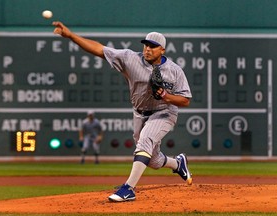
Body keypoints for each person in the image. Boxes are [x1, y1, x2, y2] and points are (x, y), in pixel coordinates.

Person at [52, 21, 193, 202]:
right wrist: (71, 36)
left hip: (164, 112)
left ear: (162, 50)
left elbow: (185, 100)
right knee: (153, 160)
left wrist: (166, 96)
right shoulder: (130, 58)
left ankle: (128, 189)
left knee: (145, 142)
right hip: (139, 113)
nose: (147, 49)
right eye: (145, 45)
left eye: (153, 46)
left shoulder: (174, 71)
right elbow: (99, 49)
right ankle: (177, 163)